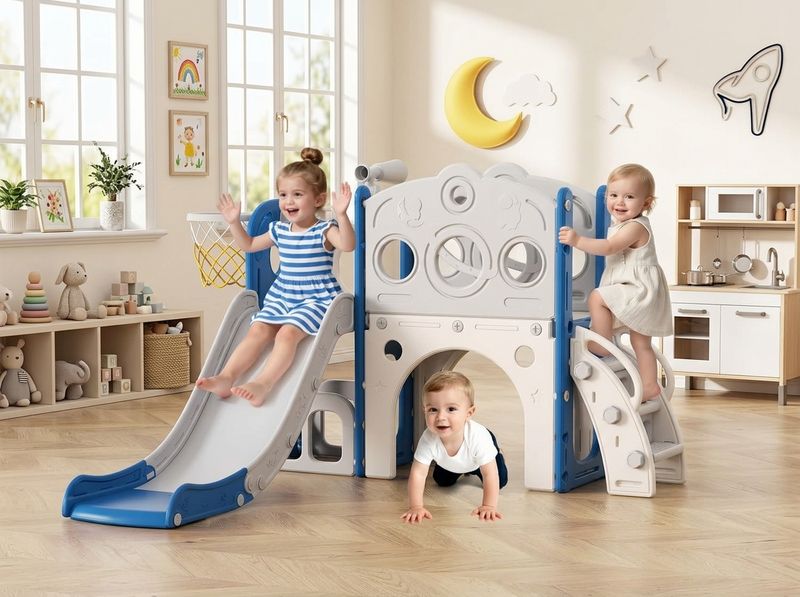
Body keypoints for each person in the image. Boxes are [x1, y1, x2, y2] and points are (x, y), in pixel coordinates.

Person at [197, 147, 354, 406]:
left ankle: (263, 383)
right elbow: (248, 245)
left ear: (318, 199)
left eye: (297, 194)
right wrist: (234, 223)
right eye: (283, 195)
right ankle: (227, 377)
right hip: (283, 296)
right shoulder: (279, 230)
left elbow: (348, 244)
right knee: (258, 330)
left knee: (286, 334)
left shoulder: (324, 230)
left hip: (315, 299)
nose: (289, 201)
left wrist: (341, 215)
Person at [558, 163, 672, 401]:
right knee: (641, 343)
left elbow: (609, 247)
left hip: (638, 290)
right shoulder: (622, 225)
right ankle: (650, 385)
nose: (620, 202)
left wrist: (577, 240)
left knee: (597, 297)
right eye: (613, 195)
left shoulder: (635, 227)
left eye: (629, 197)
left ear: (646, 203)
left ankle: (601, 342)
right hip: (640, 289)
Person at [402, 371, 508, 524]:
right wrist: (416, 507)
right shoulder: (428, 438)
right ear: (424, 410)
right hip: (451, 462)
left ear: (469, 413)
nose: (440, 417)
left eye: (451, 409)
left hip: (478, 460)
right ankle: (462, 469)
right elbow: (418, 473)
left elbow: (490, 474)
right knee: (442, 480)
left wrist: (488, 506)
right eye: (433, 409)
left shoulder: (479, 437)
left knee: (500, 480)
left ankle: (497, 453)